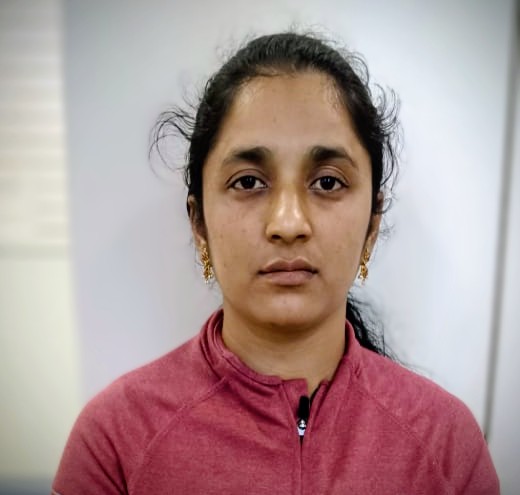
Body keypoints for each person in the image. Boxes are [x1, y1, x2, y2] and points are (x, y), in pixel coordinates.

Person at [52, 32, 499, 494]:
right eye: (248, 182)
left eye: (327, 182)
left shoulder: (446, 442)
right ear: (199, 223)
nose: (288, 223)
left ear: (372, 224)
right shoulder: (115, 441)